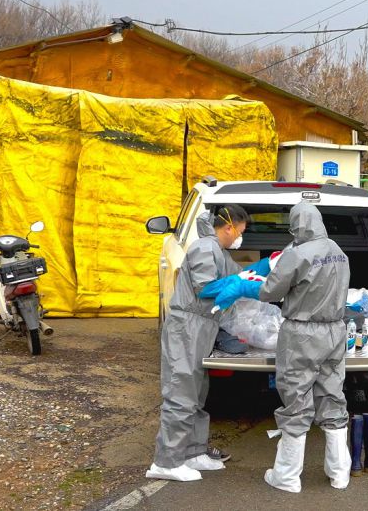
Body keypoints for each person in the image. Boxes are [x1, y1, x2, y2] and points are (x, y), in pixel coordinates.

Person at [214, 201, 351, 492]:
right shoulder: (338, 252)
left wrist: (243, 285)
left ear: (296, 226)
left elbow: (270, 291)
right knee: (332, 395)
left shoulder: (297, 254)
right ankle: (340, 473)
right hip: (335, 331)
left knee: (296, 399)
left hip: (302, 333)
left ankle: (287, 477)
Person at [146, 205, 250, 482]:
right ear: (228, 227)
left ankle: (192, 452)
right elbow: (206, 288)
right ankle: (166, 462)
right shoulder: (205, 248)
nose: (240, 238)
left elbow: (240, 274)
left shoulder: (218, 251)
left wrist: (265, 271)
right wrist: (242, 286)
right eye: (240, 232)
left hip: (202, 328)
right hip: (187, 328)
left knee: (197, 393)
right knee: (181, 393)